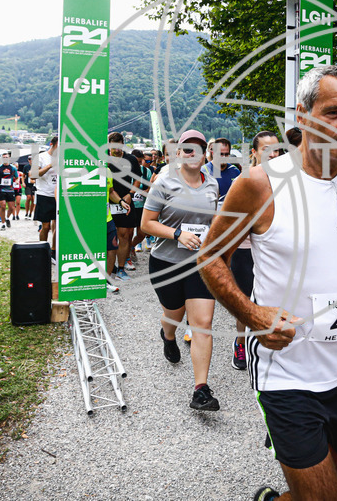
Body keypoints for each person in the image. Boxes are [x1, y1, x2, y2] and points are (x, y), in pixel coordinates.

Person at [198, 65, 337, 500]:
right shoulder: (261, 184)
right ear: (302, 115)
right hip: (286, 373)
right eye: (334, 112)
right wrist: (253, 315)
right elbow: (209, 257)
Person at [141, 129, 221, 411]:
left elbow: (212, 221)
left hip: (200, 264)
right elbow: (147, 224)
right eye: (188, 149)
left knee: (202, 323)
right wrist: (176, 234)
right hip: (166, 263)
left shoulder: (211, 184)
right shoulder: (164, 183)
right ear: (178, 154)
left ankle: (201, 390)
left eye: (199, 149)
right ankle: (168, 335)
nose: (193, 154)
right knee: (173, 315)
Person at [228, 130, 281, 371]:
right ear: (254, 153)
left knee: (274, 298)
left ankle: (272, 341)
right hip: (245, 250)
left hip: (274, 251)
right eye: (266, 150)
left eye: (277, 150)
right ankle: (241, 343)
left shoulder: (288, 181)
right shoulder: (243, 182)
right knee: (247, 301)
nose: (274, 155)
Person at [108, 132, 141, 279]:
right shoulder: (104, 159)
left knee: (125, 235)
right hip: (108, 201)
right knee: (109, 236)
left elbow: (137, 180)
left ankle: (121, 267)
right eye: (113, 147)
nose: (116, 150)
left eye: (118, 147)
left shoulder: (131, 159)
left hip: (126, 200)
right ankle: (110, 266)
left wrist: (130, 194)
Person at [34, 137, 58, 261]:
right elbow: (33, 175)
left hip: (58, 195)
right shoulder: (41, 157)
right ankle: (42, 249)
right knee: (46, 226)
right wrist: (49, 166)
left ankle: (53, 251)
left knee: (57, 225)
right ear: (51, 145)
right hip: (44, 194)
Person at [0, 153, 18, 230]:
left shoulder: (13, 168)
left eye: (7, 157)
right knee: (2, 206)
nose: (5, 158)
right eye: (4, 157)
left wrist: (17, 181)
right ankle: (3, 224)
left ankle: (7, 218)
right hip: (1, 189)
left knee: (12, 208)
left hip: (10, 189)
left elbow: (17, 177)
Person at [18, 153, 35, 219]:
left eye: (32, 159)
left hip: (34, 184)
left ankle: (30, 213)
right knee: (28, 197)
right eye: (29, 159)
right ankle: (26, 212)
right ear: (28, 160)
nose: (30, 160)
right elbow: (23, 176)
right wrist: (23, 182)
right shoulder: (26, 167)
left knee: (33, 199)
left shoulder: (36, 166)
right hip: (27, 184)